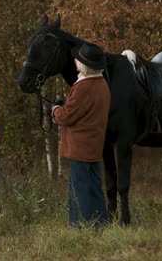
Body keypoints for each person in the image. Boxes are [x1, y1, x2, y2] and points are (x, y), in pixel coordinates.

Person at [51, 43, 110, 228]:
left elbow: (67, 116)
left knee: (79, 188)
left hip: (79, 146)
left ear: (84, 64)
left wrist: (54, 110)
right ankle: (100, 223)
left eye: (78, 59)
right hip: (93, 144)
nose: (75, 60)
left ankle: (80, 226)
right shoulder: (102, 84)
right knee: (94, 187)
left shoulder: (84, 86)